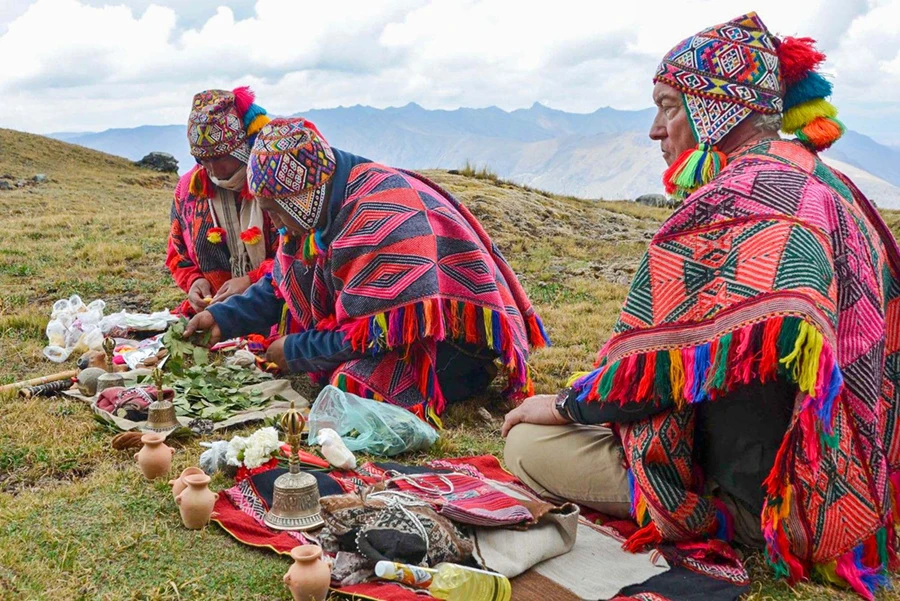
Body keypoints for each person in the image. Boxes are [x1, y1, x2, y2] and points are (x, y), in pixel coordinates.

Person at [503, 13, 900, 598]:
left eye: (667, 105)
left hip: (776, 499)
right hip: (859, 483)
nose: (655, 130)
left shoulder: (732, 202)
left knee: (526, 447)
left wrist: (561, 405)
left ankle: (720, 521)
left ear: (713, 109)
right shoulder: (830, 188)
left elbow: (653, 375)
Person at [186, 118, 548, 424]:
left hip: (449, 339)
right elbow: (283, 283)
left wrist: (296, 349)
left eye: (277, 211)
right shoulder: (313, 208)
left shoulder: (380, 216)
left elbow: (378, 333)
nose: (275, 224)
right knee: (334, 379)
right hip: (395, 327)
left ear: (303, 197)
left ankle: (462, 379)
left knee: (351, 386)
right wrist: (222, 319)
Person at [166, 87, 283, 315]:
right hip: (215, 310)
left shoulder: (273, 182)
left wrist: (251, 279)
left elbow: (299, 254)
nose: (212, 169)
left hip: (276, 305)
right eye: (203, 159)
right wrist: (194, 281)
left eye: (219, 158)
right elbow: (177, 253)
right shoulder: (190, 188)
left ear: (240, 149)